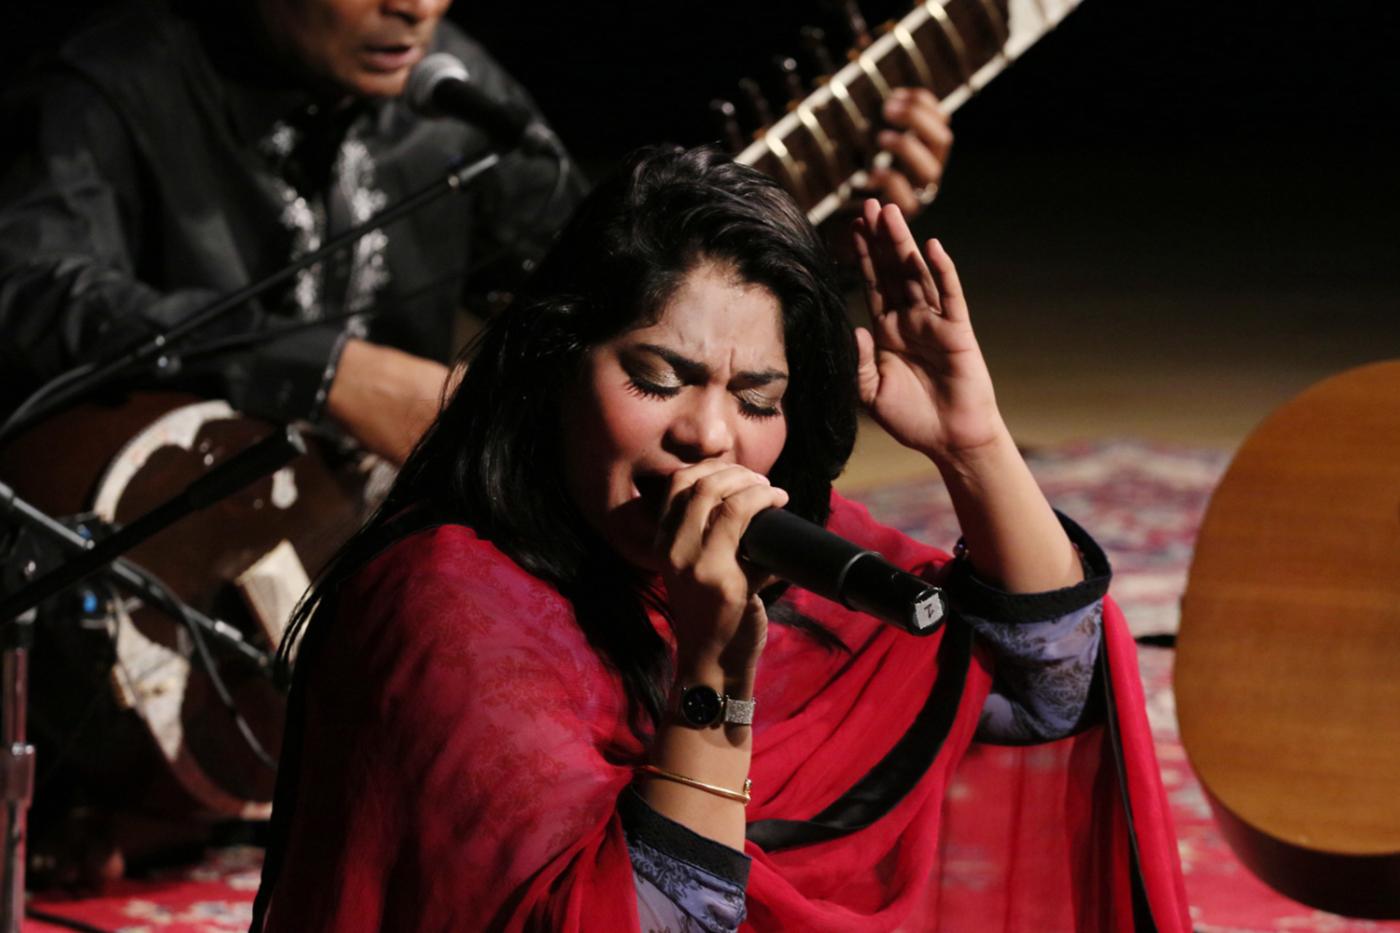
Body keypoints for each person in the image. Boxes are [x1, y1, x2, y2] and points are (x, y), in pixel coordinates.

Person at [251, 146, 1190, 931]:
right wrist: (713, 675)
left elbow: (1049, 691)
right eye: (658, 379)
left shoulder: (790, 555)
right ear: (555, 364)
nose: (709, 435)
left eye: (756, 400)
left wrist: (972, 445)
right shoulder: (445, 604)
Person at [0, 0, 952, 464]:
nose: (416, 7)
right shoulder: (114, 89)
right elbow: (28, 291)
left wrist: (801, 244)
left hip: (368, 557)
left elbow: (607, 294)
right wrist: (330, 373)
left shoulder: (449, 93)